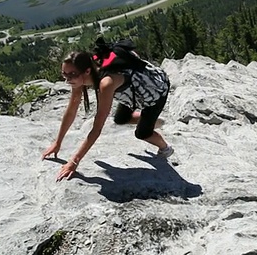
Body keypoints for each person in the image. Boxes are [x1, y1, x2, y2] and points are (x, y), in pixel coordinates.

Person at [42, 47, 173, 182]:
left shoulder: (106, 83)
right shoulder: (83, 75)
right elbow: (71, 110)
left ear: (87, 71)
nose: (67, 80)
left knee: (142, 134)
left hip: (155, 91)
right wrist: (57, 143)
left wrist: (74, 162)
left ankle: (165, 148)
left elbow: (97, 128)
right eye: (64, 74)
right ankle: (150, 120)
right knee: (121, 119)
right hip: (133, 92)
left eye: (71, 75)